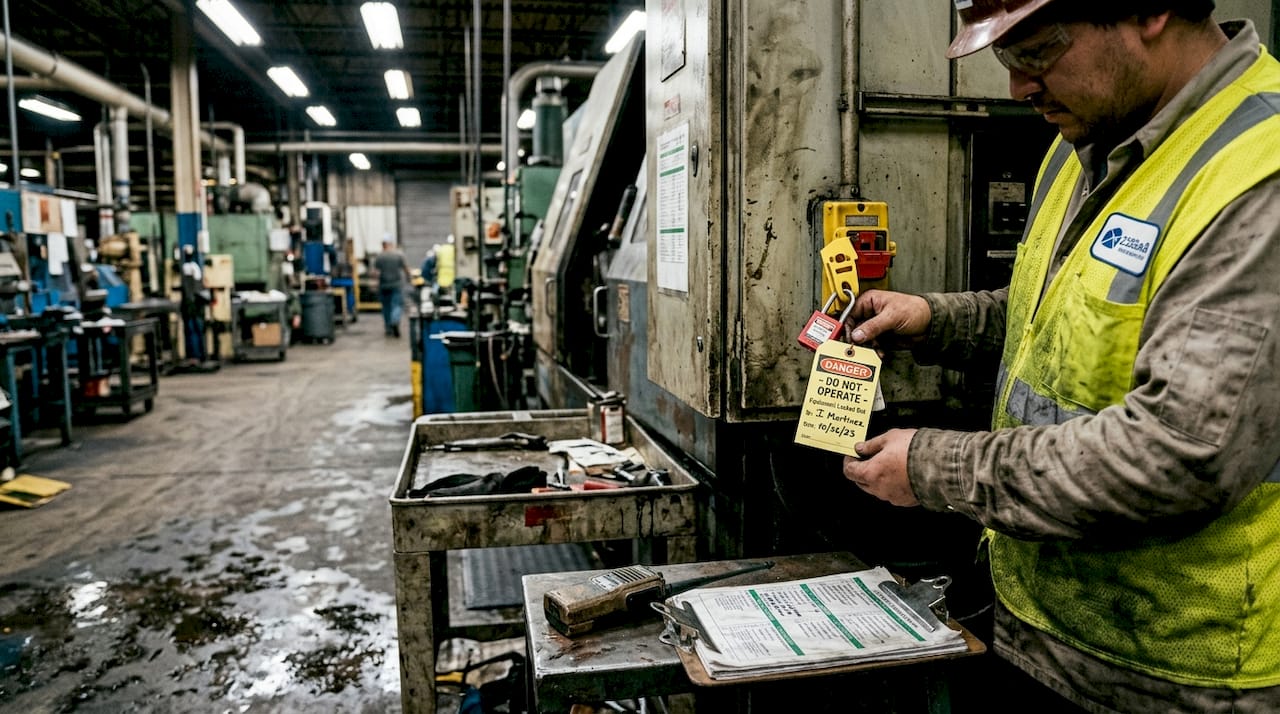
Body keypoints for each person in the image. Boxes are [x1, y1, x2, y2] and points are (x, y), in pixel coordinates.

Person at [841, 1, 1280, 711]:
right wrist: (935, 320)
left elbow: (1179, 455)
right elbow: (1058, 315)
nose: (1019, 88)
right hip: (1039, 627)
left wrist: (937, 468)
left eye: (1039, 51)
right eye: (1006, 61)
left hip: (1176, 675)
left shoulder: (1260, 173)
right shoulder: (1086, 142)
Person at [373, 238, 412, 337]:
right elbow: (406, 268)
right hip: (396, 285)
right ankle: (395, 321)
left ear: (383, 245)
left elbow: (376, 273)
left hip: (383, 285)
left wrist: (376, 284)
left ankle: (388, 328)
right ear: (390, 244)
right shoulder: (398, 255)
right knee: (397, 305)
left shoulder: (379, 256)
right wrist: (409, 279)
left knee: (386, 307)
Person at [178, 244, 209, 365]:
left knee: (192, 331)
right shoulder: (196, 267)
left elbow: (189, 289)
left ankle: (194, 356)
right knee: (198, 330)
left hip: (191, 305)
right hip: (196, 305)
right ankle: (201, 355)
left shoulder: (187, 268)